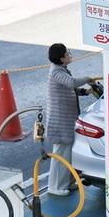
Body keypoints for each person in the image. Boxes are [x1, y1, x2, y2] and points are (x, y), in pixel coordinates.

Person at [45, 43, 96, 197]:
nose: (69, 55)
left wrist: (87, 91)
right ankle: (55, 187)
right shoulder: (56, 72)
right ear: (61, 58)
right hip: (59, 122)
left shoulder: (61, 70)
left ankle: (66, 182)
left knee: (67, 154)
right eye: (67, 54)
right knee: (60, 156)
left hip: (65, 121)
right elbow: (71, 83)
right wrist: (88, 79)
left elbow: (70, 89)